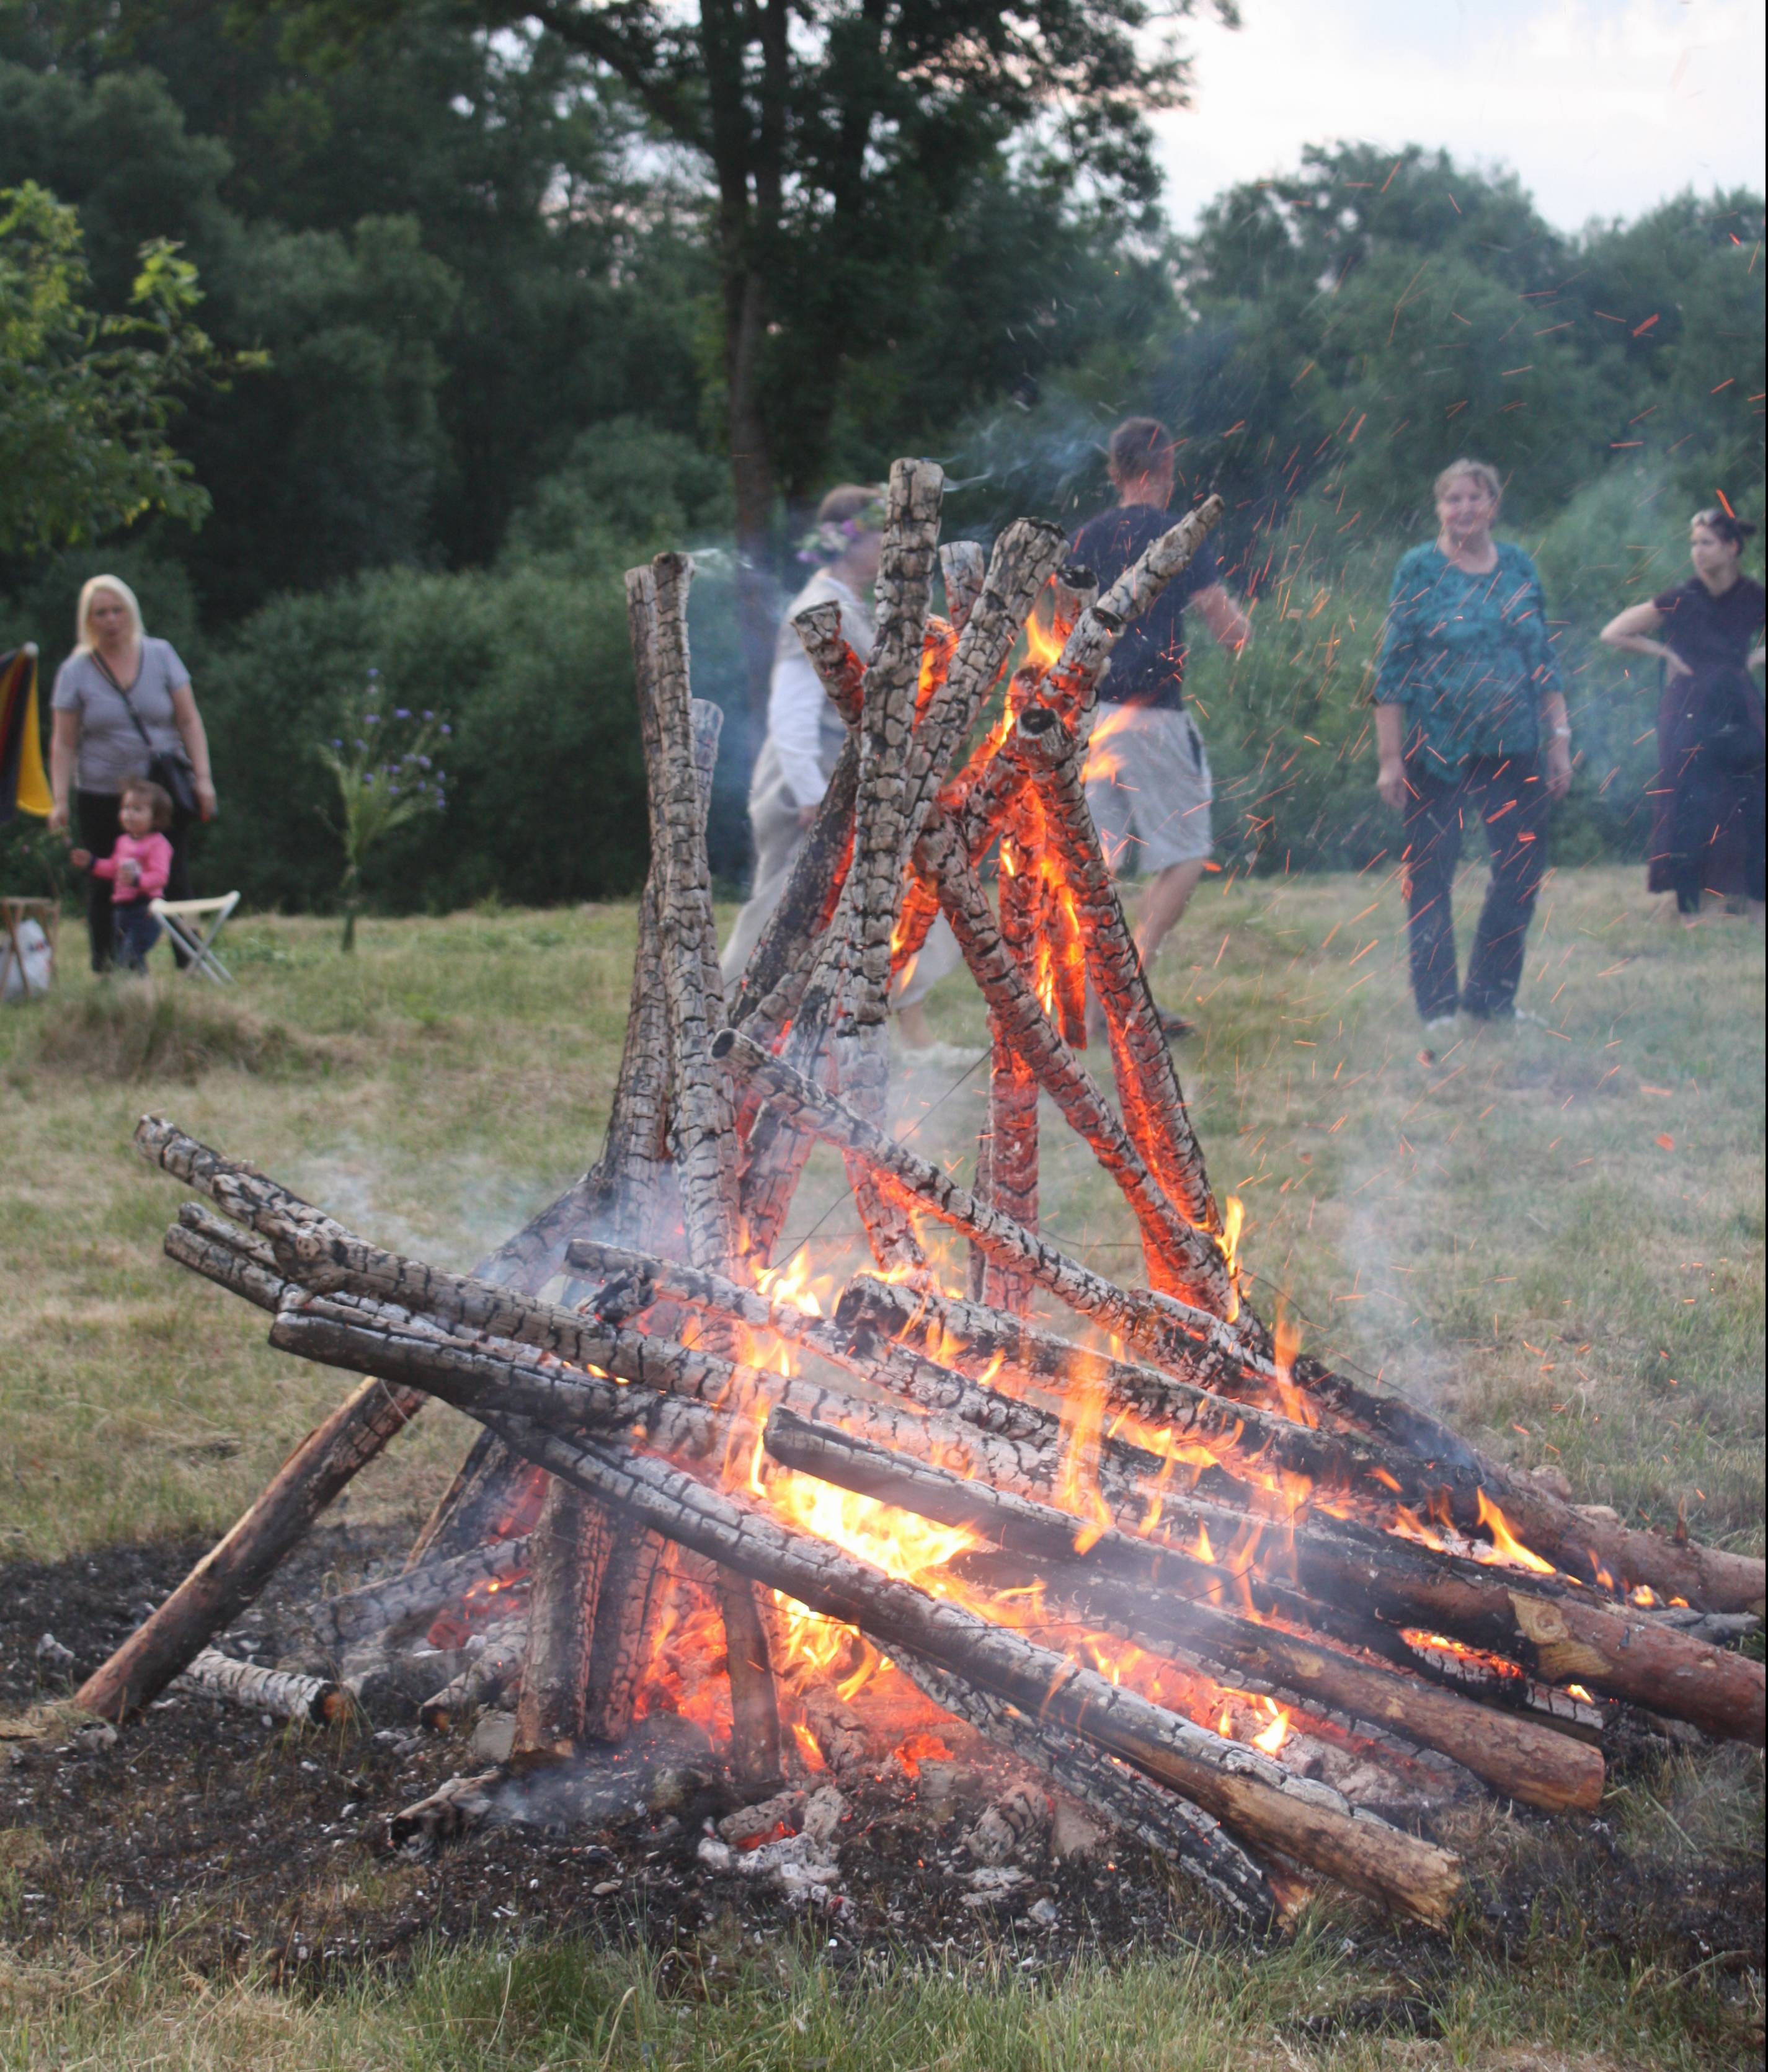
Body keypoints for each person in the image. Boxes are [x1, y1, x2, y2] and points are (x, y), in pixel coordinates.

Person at [720, 485, 964, 1055]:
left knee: (895, 896)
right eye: (880, 533)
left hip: (843, 783)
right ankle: (724, 1020)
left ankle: (913, 1037)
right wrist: (810, 795)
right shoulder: (817, 609)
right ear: (849, 540)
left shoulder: (850, 604)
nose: (888, 545)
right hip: (803, 786)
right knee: (782, 914)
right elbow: (792, 712)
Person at [1373, 459, 1572, 1029]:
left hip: (1515, 745)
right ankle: (1436, 1008)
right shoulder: (1417, 570)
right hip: (1437, 746)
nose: (1463, 509)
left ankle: (1491, 999)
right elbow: (1392, 669)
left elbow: (1543, 660)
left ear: (1493, 505)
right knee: (1432, 877)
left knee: (1520, 870)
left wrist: (1558, 738)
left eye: (1473, 498)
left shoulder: (1517, 566)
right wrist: (1389, 759)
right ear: (1439, 508)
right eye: (1451, 499)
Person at [1069, 417, 1251, 1038]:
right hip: (1152, 719)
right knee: (1185, 857)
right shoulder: (1176, 535)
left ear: (1115, 472)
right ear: (1162, 470)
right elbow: (1226, 627)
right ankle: (1126, 994)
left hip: (1089, 720)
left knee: (1097, 869)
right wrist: (1243, 632)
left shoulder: (1085, 538)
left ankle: (1084, 1002)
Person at [1599, 508, 1765, 925]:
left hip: (1738, 705)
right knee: (1688, 801)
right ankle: (1689, 909)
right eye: (1693, 544)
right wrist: (1664, 652)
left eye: (1705, 543)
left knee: (1753, 801)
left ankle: (1755, 904)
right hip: (1688, 708)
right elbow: (1613, 631)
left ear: (1731, 548)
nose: (1697, 552)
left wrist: (1758, 657)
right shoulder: (1680, 597)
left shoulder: (1752, 596)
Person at [47, 575, 216, 972]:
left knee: (174, 876)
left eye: (117, 610)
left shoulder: (161, 655)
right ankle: (108, 966)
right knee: (105, 877)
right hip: (102, 792)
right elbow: (64, 742)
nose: (110, 620)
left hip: (161, 790)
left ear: (131, 612)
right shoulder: (75, 671)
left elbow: (189, 720)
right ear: (88, 620)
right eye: (100, 613)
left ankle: (192, 959)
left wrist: (204, 778)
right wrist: (58, 800)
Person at [68, 777, 175, 972]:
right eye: (126, 808)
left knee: (131, 954)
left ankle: (136, 992)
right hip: (122, 910)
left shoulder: (158, 844)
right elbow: (113, 869)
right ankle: (137, 993)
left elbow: (160, 877)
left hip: (146, 909)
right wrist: (92, 863)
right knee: (123, 955)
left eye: (137, 810)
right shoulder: (123, 842)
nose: (129, 815)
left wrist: (137, 881)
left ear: (157, 818)